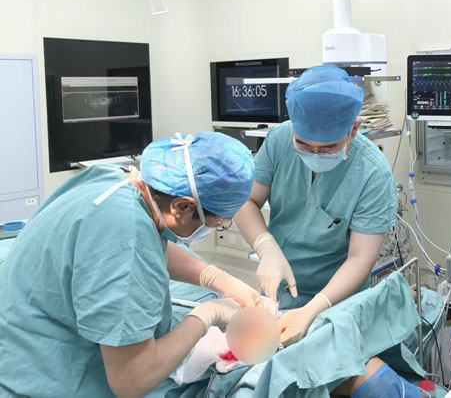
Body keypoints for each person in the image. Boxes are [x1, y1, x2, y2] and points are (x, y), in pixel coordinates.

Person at [0, 132, 263, 397]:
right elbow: (131, 379)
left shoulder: (118, 181)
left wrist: (215, 277)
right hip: (41, 378)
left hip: (14, 343)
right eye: (218, 222)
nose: (217, 226)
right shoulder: (124, 235)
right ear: (182, 207)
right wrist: (206, 316)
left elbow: (142, 244)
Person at [234, 64, 397, 347]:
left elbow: (360, 258)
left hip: (338, 298)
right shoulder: (279, 140)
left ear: (354, 129)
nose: (315, 155)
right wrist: (266, 247)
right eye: (304, 145)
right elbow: (247, 200)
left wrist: (313, 309)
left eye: (329, 147)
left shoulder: (373, 173)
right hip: (281, 289)